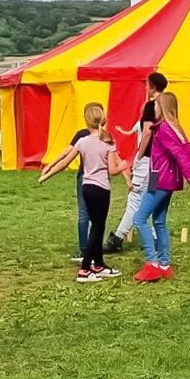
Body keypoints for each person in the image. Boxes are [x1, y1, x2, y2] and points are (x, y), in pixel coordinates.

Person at [39, 104, 129, 283]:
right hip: (101, 189)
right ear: (103, 119)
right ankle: (85, 269)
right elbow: (112, 170)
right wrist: (124, 166)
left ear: (86, 121)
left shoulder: (82, 141)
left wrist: (47, 175)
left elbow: (65, 162)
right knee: (97, 227)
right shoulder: (108, 141)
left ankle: (99, 265)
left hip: (86, 187)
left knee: (98, 225)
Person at [133, 92, 190, 282]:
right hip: (158, 178)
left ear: (164, 108)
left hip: (160, 180)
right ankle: (164, 264)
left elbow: (180, 154)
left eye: (157, 105)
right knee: (158, 221)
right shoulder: (173, 128)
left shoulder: (164, 129)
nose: (155, 108)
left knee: (139, 218)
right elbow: (189, 152)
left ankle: (152, 263)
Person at [104, 72, 168, 254]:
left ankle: (117, 237)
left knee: (135, 198)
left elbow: (147, 132)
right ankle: (155, 238)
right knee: (151, 197)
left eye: (147, 85)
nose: (145, 88)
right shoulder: (168, 104)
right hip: (159, 163)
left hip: (147, 161)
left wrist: (138, 157)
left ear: (153, 87)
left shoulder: (151, 106)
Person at [41, 123, 91, 261]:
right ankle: (93, 252)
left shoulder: (82, 137)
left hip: (85, 178)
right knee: (97, 218)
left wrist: (49, 170)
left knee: (84, 215)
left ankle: (85, 251)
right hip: (101, 181)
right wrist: (126, 173)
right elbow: (114, 162)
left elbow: (65, 159)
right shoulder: (106, 138)